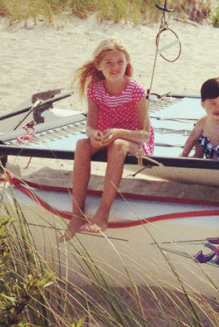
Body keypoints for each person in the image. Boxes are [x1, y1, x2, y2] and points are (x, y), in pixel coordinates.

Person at [60, 38, 153, 241]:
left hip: (131, 139)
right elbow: (90, 126)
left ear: (127, 62)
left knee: (118, 145)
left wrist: (119, 132)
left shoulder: (136, 89)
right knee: (82, 146)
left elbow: (144, 134)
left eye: (120, 62)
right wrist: (93, 134)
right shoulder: (95, 90)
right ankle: (77, 214)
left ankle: (103, 212)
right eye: (109, 63)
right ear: (98, 65)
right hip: (107, 135)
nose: (115, 67)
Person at [180, 76, 219, 160]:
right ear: (203, 103)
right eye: (213, 103)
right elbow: (192, 138)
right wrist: (184, 154)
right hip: (210, 149)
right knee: (198, 136)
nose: (218, 108)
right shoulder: (203, 121)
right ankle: (197, 155)